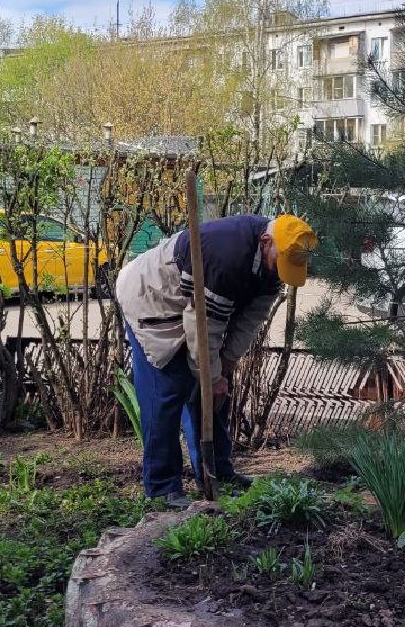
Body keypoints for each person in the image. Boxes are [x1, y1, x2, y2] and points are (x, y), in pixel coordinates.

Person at [115, 213, 317, 505]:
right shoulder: (226, 255)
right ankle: (162, 486)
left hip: (192, 310)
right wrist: (211, 377)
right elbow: (203, 328)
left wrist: (225, 367)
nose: (282, 270)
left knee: (215, 391)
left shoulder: (273, 265)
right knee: (170, 389)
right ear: (265, 242)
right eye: (282, 260)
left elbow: (250, 320)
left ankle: (216, 472)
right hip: (151, 297)